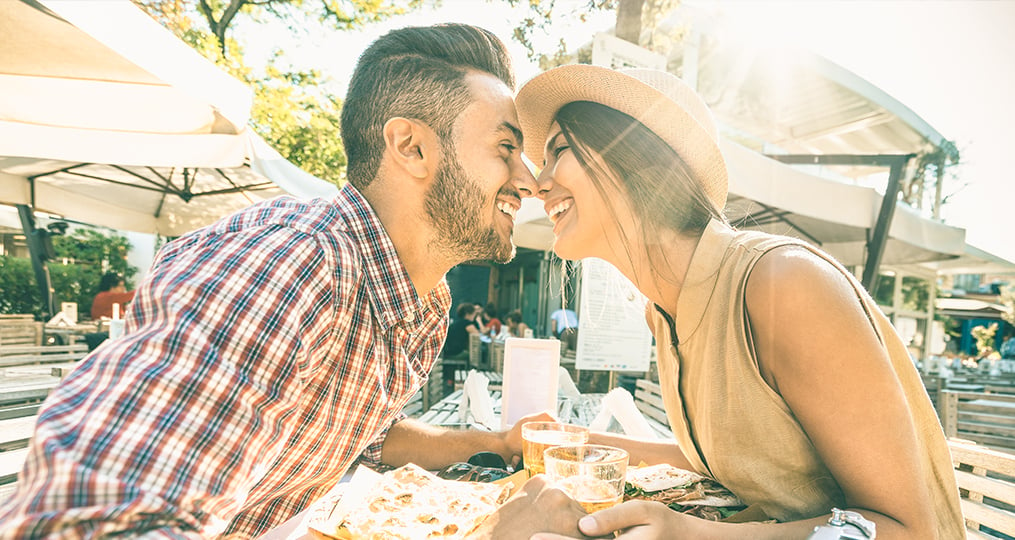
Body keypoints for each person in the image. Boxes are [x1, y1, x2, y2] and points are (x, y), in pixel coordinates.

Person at [0, 24, 555, 539]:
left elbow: (354, 433)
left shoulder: (421, 304)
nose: (529, 181)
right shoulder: (290, 268)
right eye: (507, 148)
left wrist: (498, 443)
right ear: (411, 147)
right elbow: (83, 526)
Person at [516, 65, 963, 539]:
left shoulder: (782, 283)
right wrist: (570, 441)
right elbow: (723, 459)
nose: (537, 183)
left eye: (559, 151)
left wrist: (690, 535)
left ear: (638, 162)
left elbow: (907, 531)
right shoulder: (663, 311)